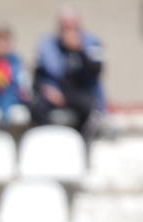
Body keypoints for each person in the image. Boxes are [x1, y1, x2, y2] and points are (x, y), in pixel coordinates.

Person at [30, 7, 105, 135]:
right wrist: (47, 90)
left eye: (72, 26)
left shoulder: (92, 42)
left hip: (82, 93)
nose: (69, 30)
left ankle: (80, 143)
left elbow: (96, 71)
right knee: (35, 106)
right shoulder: (47, 45)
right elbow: (37, 77)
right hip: (54, 92)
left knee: (88, 108)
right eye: (65, 26)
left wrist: (79, 50)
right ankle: (50, 140)